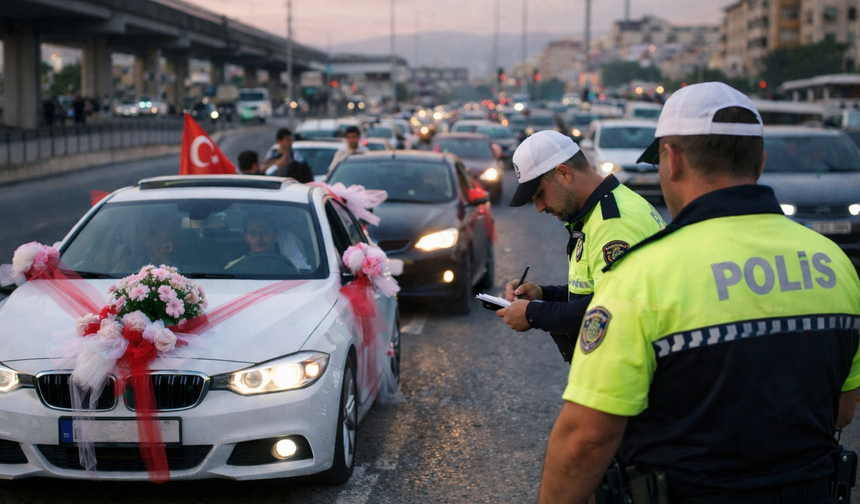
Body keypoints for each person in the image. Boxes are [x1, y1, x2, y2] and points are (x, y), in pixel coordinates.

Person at [538, 82, 860, 504]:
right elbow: (843, 409)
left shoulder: (641, 275)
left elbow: (587, 438)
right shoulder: (834, 263)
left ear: (671, 161)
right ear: (759, 162)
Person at [496, 130, 665, 362]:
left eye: (540, 194)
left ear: (564, 173)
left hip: (628, 367)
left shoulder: (613, 223)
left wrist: (534, 314)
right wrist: (544, 295)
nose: (539, 207)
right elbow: (600, 290)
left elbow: (614, 305)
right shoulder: (604, 208)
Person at [225, 213, 309, 271]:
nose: (258, 238)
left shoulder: (294, 267)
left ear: (275, 236)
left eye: (265, 232)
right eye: (253, 233)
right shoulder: (233, 267)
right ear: (246, 238)